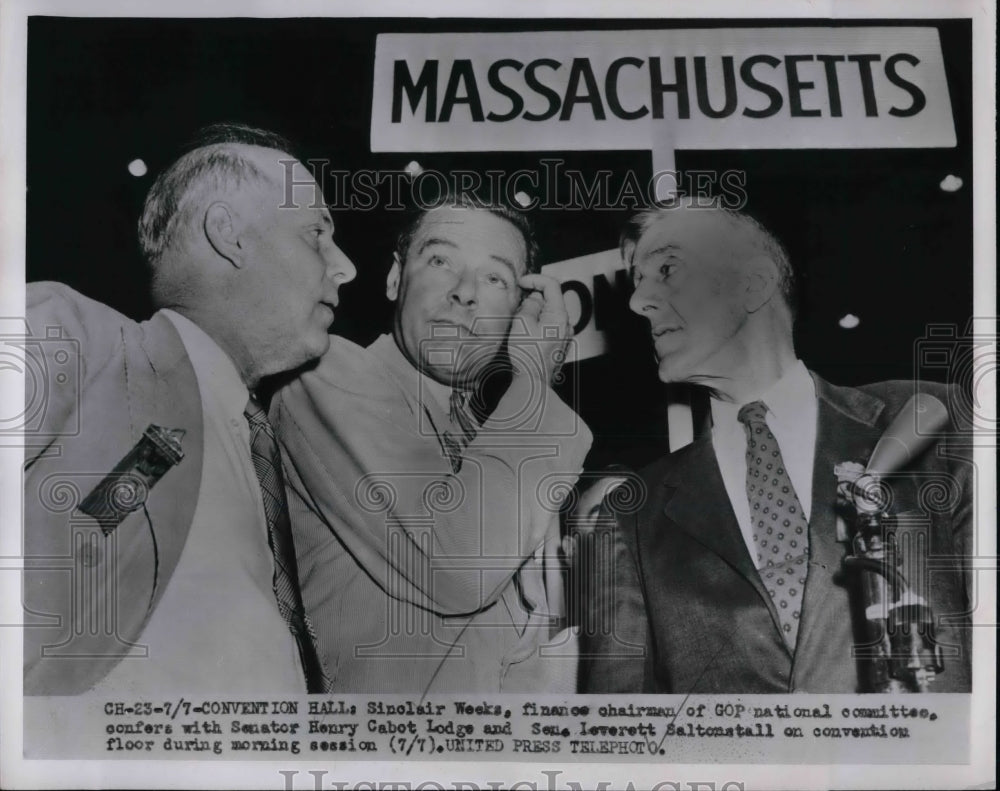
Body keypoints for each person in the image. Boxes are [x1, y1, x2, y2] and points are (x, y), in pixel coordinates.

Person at [579, 200, 972, 693]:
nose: (638, 302)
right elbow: (622, 733)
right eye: (637, 281)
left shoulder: (937, 420)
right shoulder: (630, 515)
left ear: (755, 284)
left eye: (667, 269)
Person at [23, 123, 357, 695]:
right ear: (230, 234)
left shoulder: (273, 443)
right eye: (315, 234)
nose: (344, 265)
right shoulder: (70, 340)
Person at [272, 194, 592, 693]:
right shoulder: (331, 373)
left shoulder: (500, 430)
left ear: (519, 311)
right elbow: (461, 567)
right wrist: (534, 379)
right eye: (441, 261)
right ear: (395, 278)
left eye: (495, 278)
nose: (465, 293)